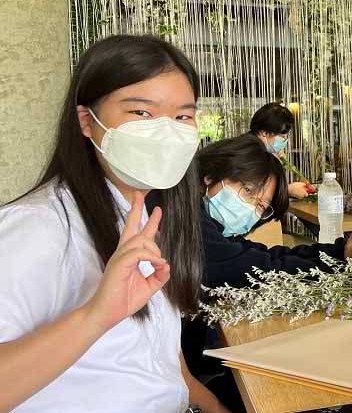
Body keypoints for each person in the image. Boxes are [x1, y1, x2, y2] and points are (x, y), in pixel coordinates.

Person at [0, 35, 226, 412]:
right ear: (87, 121)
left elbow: (160, 359)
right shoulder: (36, 228)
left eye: (183, 116)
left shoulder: (145, 216)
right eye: (141, 113)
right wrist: (94, 316)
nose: (166, 132)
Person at [184, 135, 352, 412]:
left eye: (260, 206)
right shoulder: (188, 224)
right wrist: (349, 266)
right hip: (187, 381)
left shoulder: (206, 223)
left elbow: (267, 256)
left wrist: (340, 253)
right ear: (210, 176)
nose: (250, 209)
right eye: (247, 192)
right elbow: (263, 269)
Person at [249, 102, 312, 199]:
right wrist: (288, 190)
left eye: (286, 136)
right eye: (282, 136)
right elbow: (250, 193)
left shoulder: (258, 150)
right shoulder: (250, 154)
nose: (285, 140)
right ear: (264, 132)